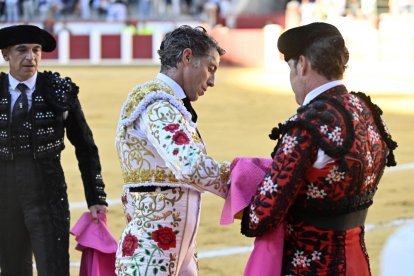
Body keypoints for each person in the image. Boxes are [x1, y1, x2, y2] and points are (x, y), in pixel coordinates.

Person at [240, 22, 398, 275]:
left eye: (290, 68)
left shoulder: (308, 124)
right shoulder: (367, 112)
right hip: (357, 262)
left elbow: (262, 215)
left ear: (302, 64)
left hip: (311, 266)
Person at [115, 25, 230, 275]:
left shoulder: (169, 104)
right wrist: (244, 179)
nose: (212, 81)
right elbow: (191, 165)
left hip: (174, 251)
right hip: (151, 255)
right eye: (210, 68)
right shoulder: (156, 102)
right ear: (187, 58)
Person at [0, 24, 108, 276]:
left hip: (47, 192)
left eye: (36, 50)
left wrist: (96, 196)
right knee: (12, 269)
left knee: (55, 268)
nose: (31, 57)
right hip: (4, 194)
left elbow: (85, 146)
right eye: (22, 50)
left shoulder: (58, 90)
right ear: (6, 54)